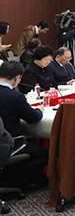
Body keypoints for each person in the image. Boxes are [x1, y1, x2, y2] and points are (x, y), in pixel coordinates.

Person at [0, 61, 47, 189]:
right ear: (17, 78)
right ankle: (20, 181)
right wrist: (39, 110)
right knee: (47, 153)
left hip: (4, 140)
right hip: (10, 143)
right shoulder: (15, 96)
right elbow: (33, 118)